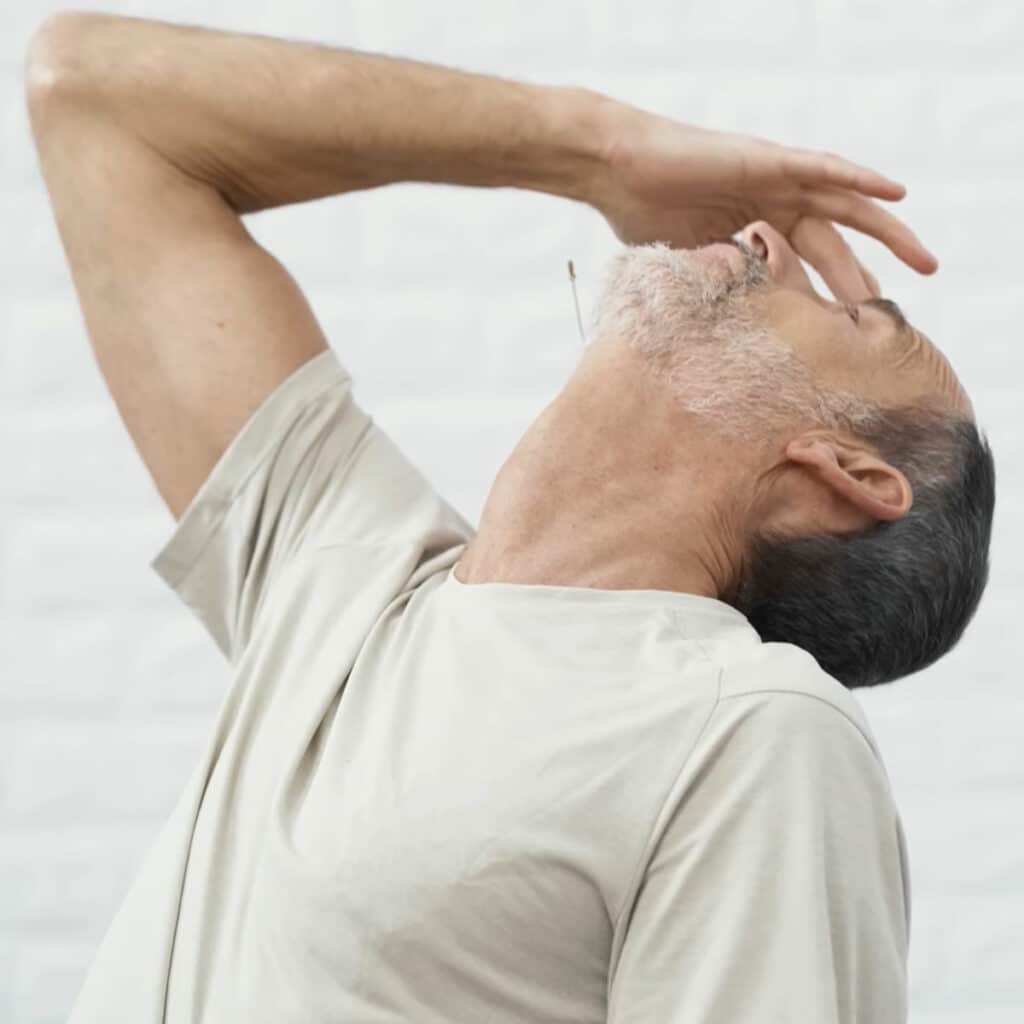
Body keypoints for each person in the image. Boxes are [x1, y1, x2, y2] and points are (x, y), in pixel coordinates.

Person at [26, 11, 993, 1024]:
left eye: (850, 315)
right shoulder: (346, 578)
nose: (763, 239)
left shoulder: (752, 731)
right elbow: (92, 92)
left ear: (847, 473)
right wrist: (593, 149)